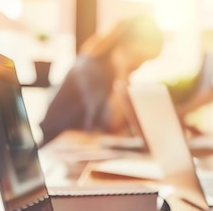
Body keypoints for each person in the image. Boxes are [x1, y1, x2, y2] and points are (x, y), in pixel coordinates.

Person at [39, 15, 164, 144]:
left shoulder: (110, 73)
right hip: (57, 144)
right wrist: (122, 76)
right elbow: (106, 123)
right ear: (123, 47)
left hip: (81, 145)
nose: (138, 65)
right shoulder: (90, 69)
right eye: (137, 57)